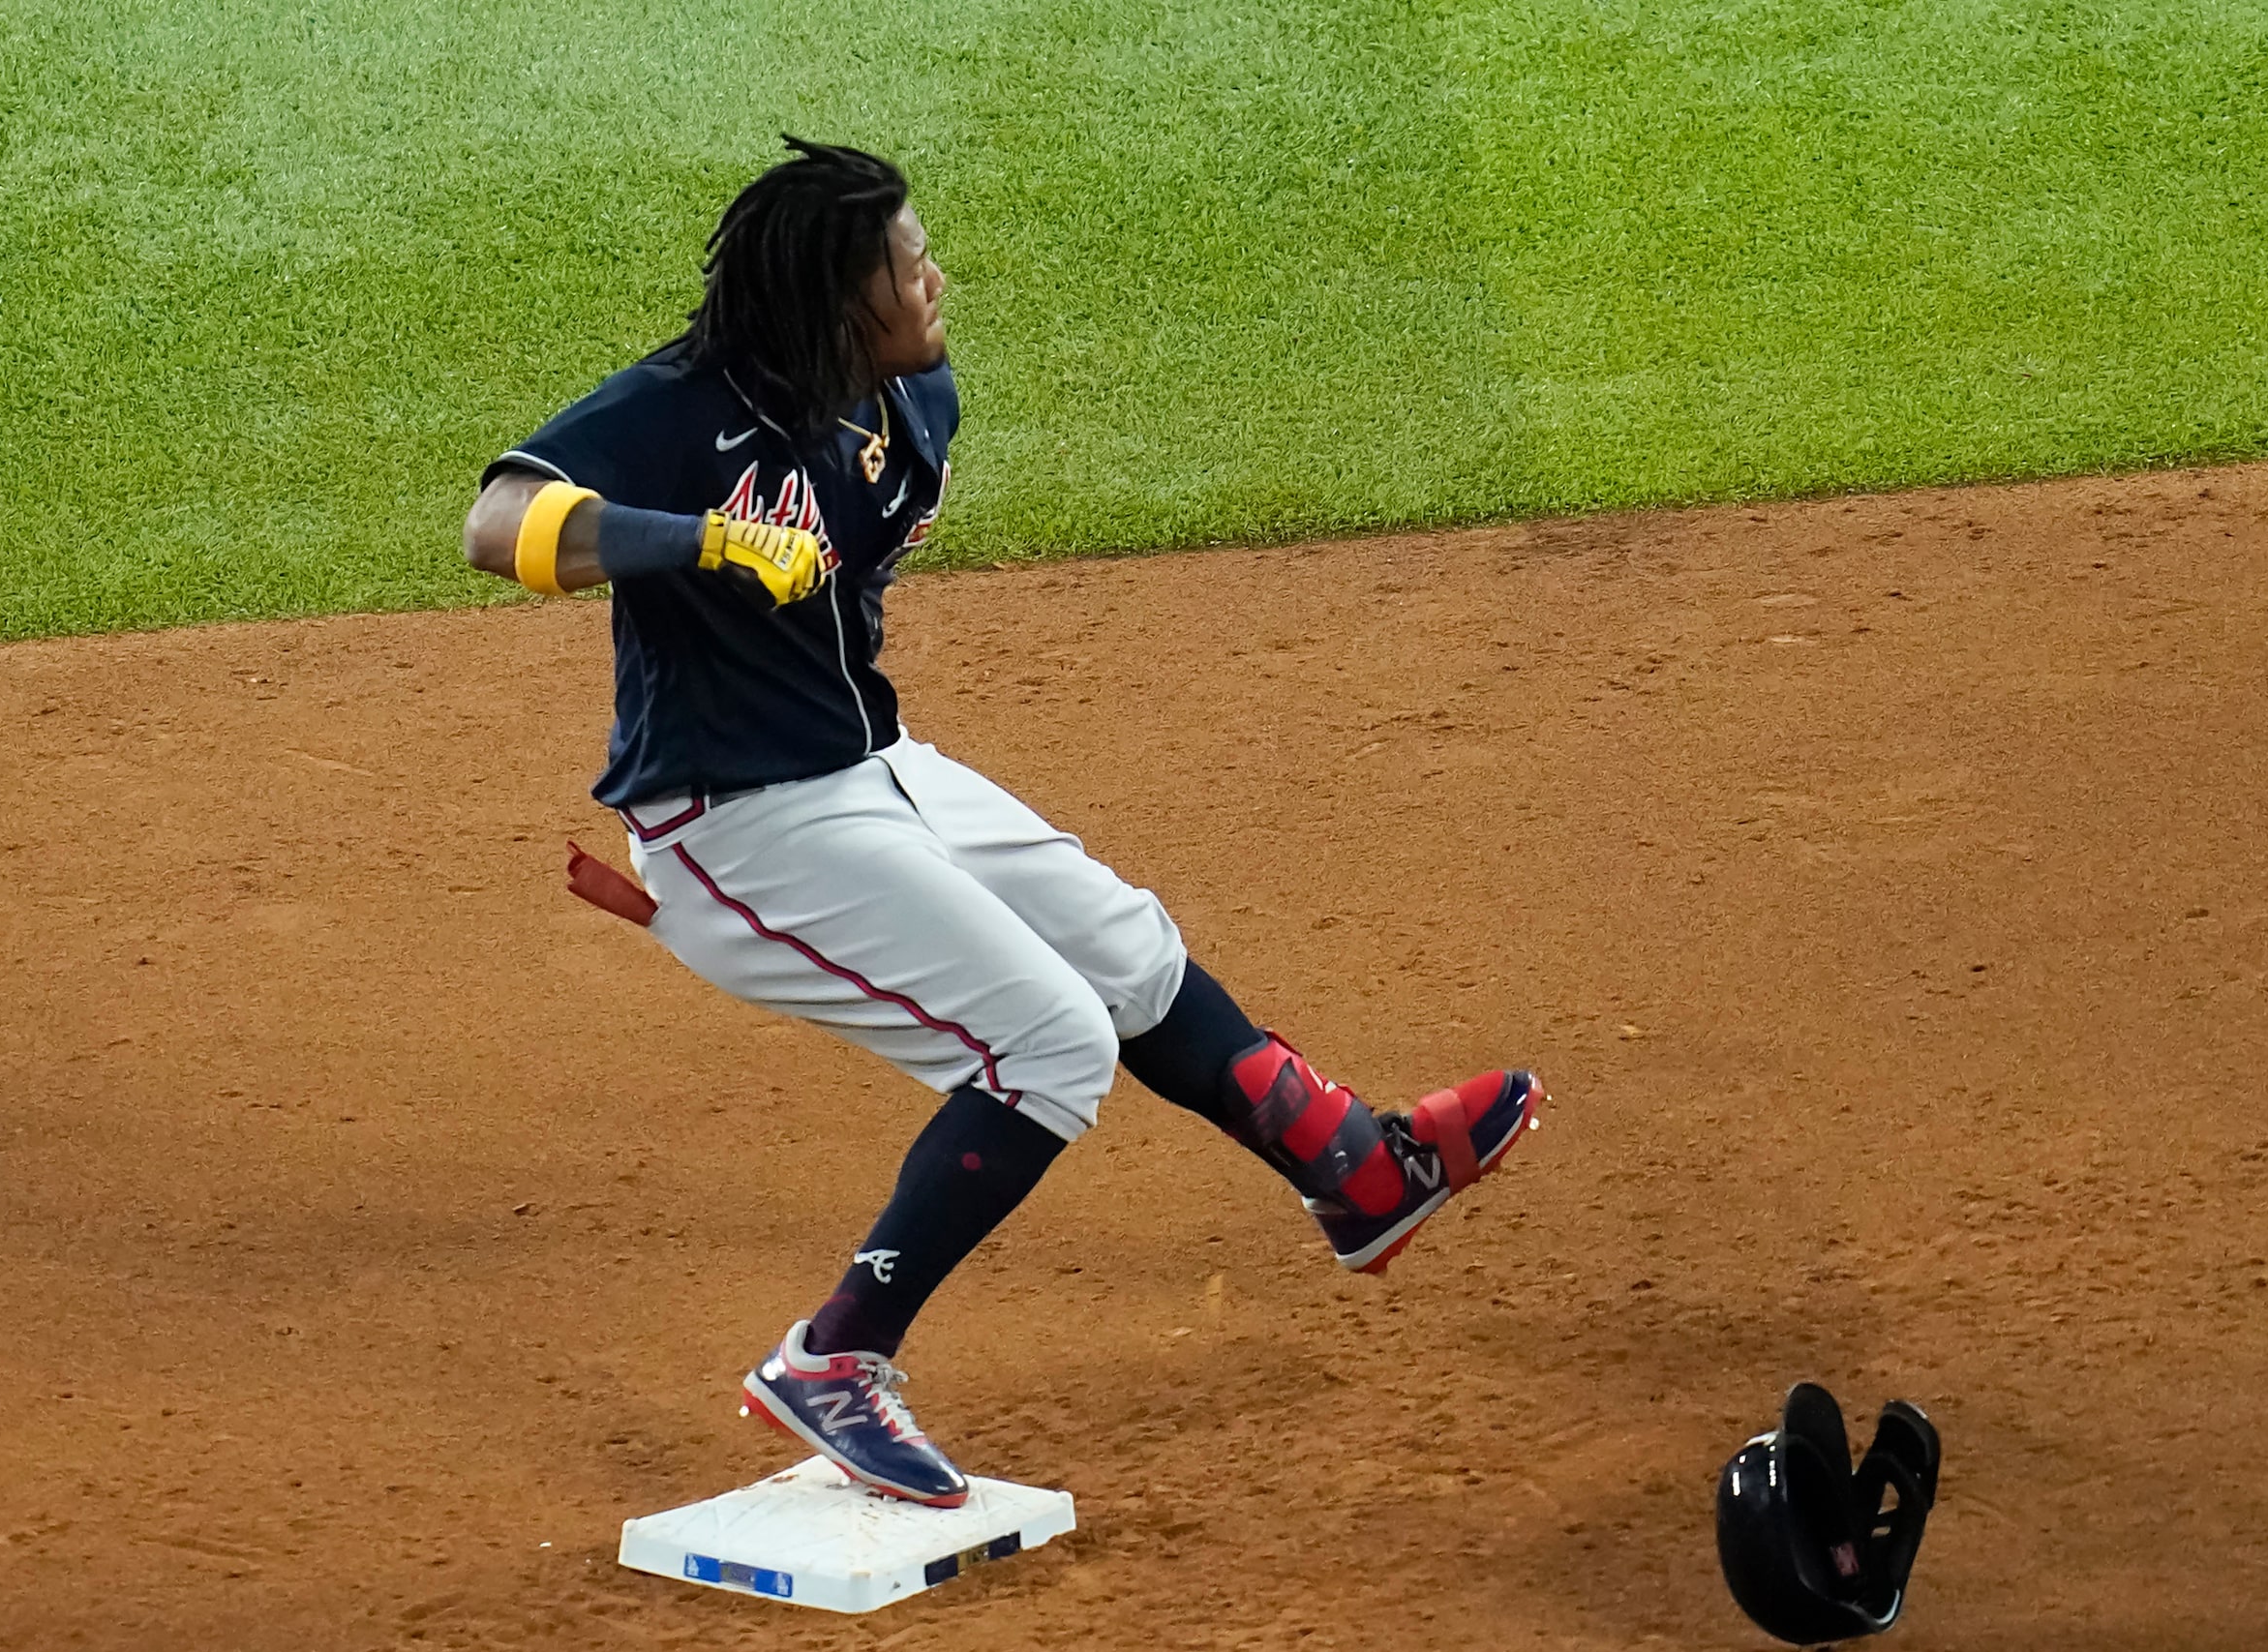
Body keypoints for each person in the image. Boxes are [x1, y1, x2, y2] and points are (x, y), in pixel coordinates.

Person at [463, 138, 1541, 1508]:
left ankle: (1354, 1173)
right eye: (911, 264)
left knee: (1131, 952)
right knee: (1051, 1041)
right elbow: (497, 524)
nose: (937, 278)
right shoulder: (690, 408)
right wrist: (699, 540)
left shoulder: (913, 403)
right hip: (733, 825)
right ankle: (835, 1356)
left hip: (872, 763)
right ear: (843, 300)